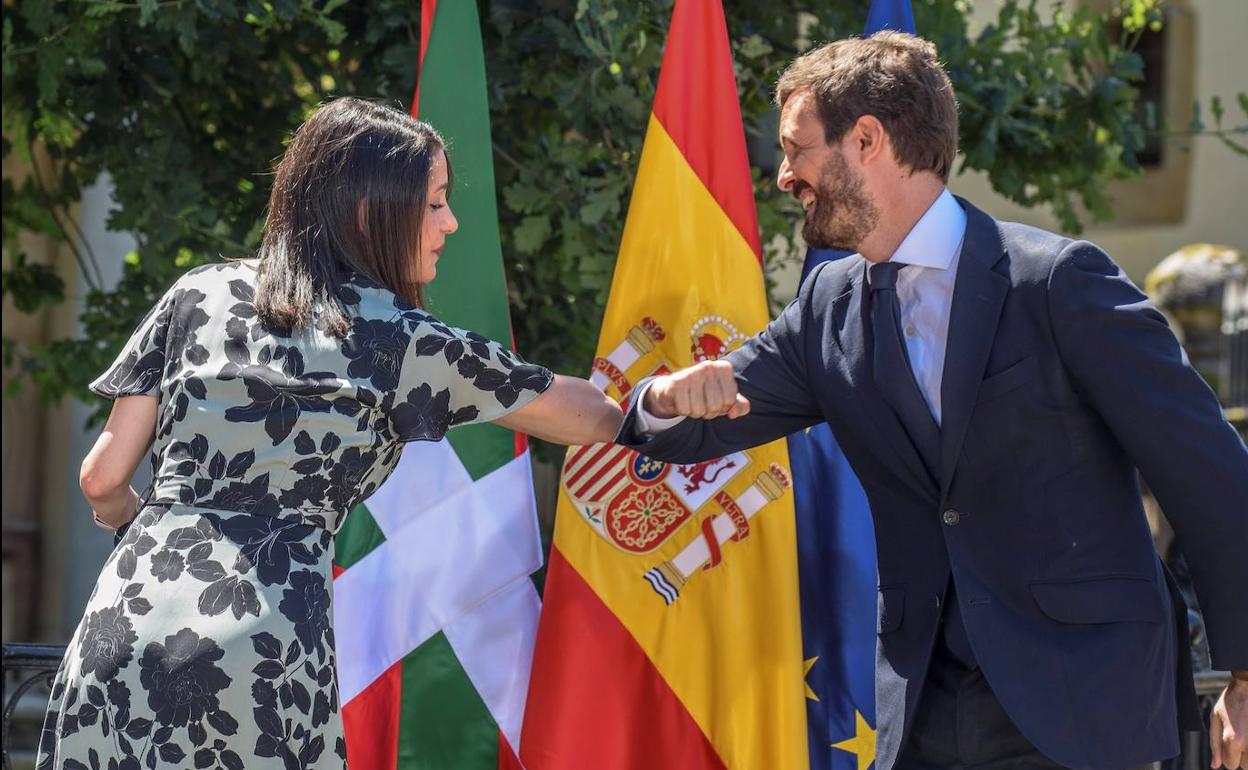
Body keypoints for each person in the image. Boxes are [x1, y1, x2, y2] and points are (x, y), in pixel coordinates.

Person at [617, 32, 1248, 770]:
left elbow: (1211, 475)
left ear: (867, 138)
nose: (785, 175)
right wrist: (663, 396)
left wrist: (1243, 676)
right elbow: (700, 421)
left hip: (1084, 706)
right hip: (922, 716)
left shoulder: (1058, 283)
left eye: (797, 149)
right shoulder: (828, 303)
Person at [37, 97, 622, 770]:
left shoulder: (197, 294)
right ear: (372, 211)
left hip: (122, 624)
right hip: (259, 642)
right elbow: (584, 415)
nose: (450, 222)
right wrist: (671, 401)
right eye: (434, 204)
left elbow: (101, 478)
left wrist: (143, 523)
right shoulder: (403, 342)